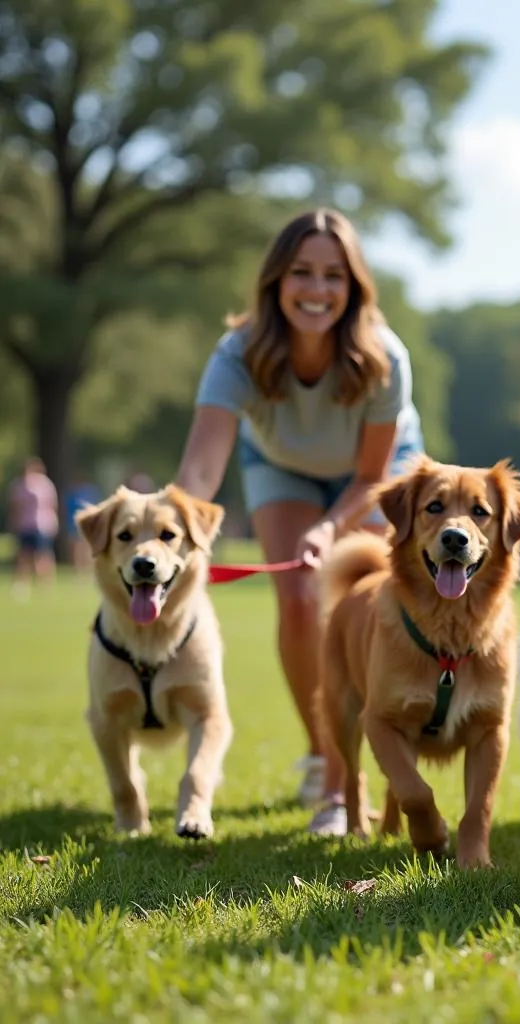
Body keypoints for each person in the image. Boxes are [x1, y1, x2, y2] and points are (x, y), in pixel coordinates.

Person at [175, 208, 425, 834]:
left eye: (333, 276)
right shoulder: (237, 354)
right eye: (302, 274)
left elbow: (372, 478)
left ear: (354, 286)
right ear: (275, 281)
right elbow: (201, 471)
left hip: (377, 472)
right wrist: (176, 533)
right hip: (281, 464)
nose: (317, 291)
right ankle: (326, 758)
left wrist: (331, 526)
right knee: (297, 602)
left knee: (358, 606)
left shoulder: (383, 357)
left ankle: (346, 790)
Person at [6, 456, 60, 598]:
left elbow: (51, 505)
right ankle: (22, 584)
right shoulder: (19, 485)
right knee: (23, 555)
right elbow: (15, 507)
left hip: (42, 524)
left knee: (42, 556)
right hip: (25, 525)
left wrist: (54, 523)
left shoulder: (45, 484)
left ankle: (45, 585)